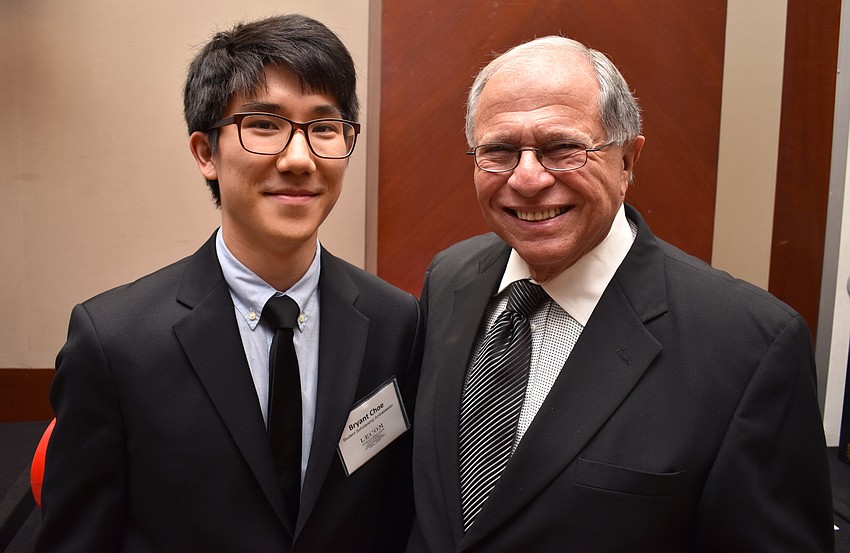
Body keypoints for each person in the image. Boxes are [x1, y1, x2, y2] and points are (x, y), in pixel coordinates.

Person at [406, 35, 833, 552]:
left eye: (562, 148)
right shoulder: (450, 278)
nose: (527, 178)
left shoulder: (750, 347)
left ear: (628, 159)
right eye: (498, 150)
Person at [36, 14, 422, 553]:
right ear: (204, 153)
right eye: (264, 125)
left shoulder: (396, 322)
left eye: (324, 127)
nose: (299, 158)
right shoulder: (114, 340)